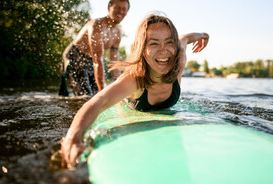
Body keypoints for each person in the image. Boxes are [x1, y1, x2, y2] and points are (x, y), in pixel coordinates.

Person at [61, 13, 209, 168]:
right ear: (143, 49)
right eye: (153, 43)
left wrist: (204, 35)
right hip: (126, 113)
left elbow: (185, 38)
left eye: (169, 42)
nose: (163, 50)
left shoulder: (179, 61)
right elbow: (99, 101)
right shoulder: (134, 80)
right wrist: (73, 138)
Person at [59, 0, 130, 96]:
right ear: (109, 7)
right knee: (85, 96)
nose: (120, 12)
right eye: (117, 8)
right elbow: (98, 60)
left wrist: (119, 88)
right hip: (75, 55)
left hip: (89, 60)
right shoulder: (97, 26)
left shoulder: (117, 33)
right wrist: (102, 95)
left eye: (124, 9)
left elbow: (114, 63)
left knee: (94, 93)